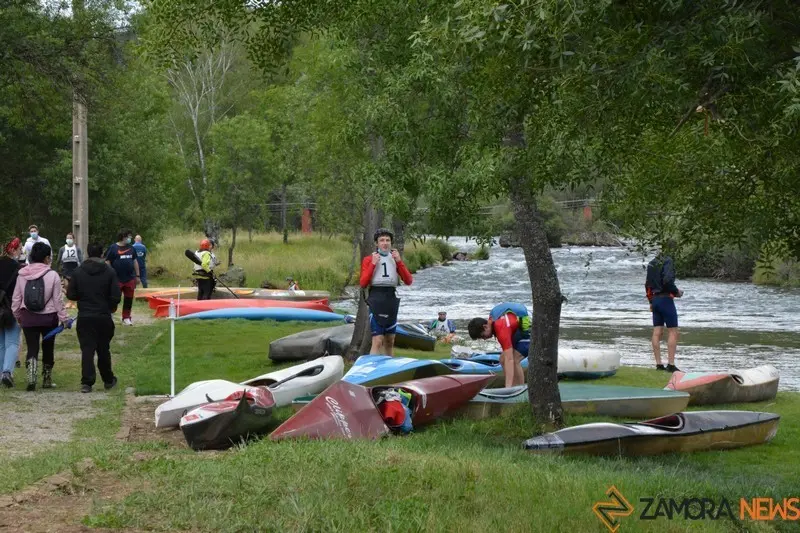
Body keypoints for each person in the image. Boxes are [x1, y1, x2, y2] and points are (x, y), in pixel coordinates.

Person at [11, 242, 69, 391]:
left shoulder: (21, 275)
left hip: (28, 317)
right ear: (46, 258)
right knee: (48, 347)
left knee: (32, 347)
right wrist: (64, 318)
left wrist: (17, 315)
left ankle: (31, 377)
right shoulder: (53, 275)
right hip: (49, 318)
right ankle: (47, 379)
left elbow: (16, 299)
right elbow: (58, 301)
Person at [67, 243, 120, 393]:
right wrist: (108, 305)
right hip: (103, 316)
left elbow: (71, 294)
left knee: (87, 349)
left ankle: (87, 382)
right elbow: (116, 296)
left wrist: (82, 298)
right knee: (104, 349)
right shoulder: (109, 272)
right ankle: (108, 380)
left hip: (85, 316)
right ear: (102, 254)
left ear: (87, 253)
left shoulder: (78, 272)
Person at [359, 228, 413, 356]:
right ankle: (372, 368)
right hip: (376, 297)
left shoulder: (395, 258)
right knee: (377, 340)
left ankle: (389, 370)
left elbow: (408, 280)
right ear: (377, 243)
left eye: (388, 240)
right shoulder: (369, 259)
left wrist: (399, 262)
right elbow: (363, 283)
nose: (385, 243)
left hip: (391, 298)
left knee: (390, 340)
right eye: (382, 240)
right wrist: (373, 264)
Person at [468, 302, 531, 387]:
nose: (484, 339)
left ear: (485, 327)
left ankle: (518, 388)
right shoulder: (492, 320)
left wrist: (507, 388)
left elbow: (510, 359)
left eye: (483, 336)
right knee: (502, 359)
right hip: (518, 332)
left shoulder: (501, 328)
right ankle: (513, 386)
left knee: (514, 360)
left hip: (532, 332)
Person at [645, 242, 684, 372]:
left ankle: (659, 364)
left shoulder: (651, 263)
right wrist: (676, 292)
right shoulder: (668, 260)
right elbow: (667, 280)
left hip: (655, 300)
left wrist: (651, 301)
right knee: (673, 331)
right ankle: (671, 365)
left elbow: (647, 285)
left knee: (657, 332)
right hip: (666, 299)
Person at [0, 238, 22, 387]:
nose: (21, 251)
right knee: (12, 342)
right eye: (20, 249)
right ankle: (7, 372)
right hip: (12, 307)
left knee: (1, 343)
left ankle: (0, 372)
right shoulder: (19, 268)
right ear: (13, 250)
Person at [105, 230, 139, 325]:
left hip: (129, 278)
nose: (130, 238)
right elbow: (107, 262)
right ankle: (110, 314)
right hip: (116, 279)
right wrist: (110, 274)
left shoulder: (132, 248)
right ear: (123, 237)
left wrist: (137, 275)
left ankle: (126, 317)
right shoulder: (113, 248)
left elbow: (135, 261)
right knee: (114, 298)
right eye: (129, 236)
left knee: (129, 299)